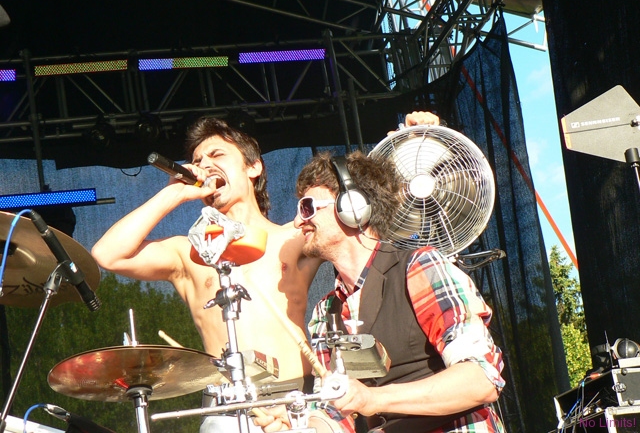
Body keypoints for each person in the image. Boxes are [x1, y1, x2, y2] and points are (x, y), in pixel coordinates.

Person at [91, 112, 441, 432]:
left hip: (300, 403)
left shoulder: (295, 235)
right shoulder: (187, 252)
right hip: (228, 409)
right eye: (197, 161)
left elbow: (368, 209)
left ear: (253, 167)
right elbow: (107, 254)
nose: (204, 165)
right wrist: (174, 194)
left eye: (216, 155)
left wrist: (413, 142)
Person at [255, 149, 505, 433]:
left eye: (307, 207)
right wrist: (299, 426)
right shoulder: (325, 313)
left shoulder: (419, 267)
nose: (298, 222)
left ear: (352, 206)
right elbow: (334, 414)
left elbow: (481, 378)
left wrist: (373, 398)